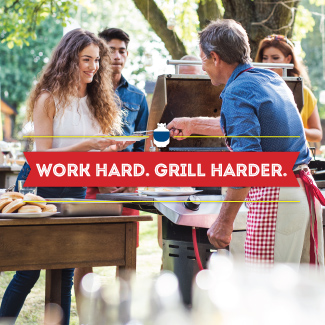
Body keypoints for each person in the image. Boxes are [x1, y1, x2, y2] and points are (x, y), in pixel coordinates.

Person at [0, 29, 131, 325]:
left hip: (73, 186)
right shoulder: (48, 98)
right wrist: (86, 145)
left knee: (66, 267)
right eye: (86, 59)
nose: (93, 67)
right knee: (29, 269)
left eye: (97, 60)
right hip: (37, 184)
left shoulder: (98, 100)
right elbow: (43, 155)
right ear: (69, 58)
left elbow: (94, 158)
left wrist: (110, 148)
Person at [167, 19, 324, 265]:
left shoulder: (237, 90)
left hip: (276, 199)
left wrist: (223, 222)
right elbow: (247, 130)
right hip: (301, 195)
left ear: (215, 58)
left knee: (263, 293)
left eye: (203, 59)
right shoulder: (268, 79)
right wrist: (192, 124)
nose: (203, 66)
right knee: (297, 296)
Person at [74, 27, 149, 315]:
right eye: (111, 50)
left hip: (125, 186)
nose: (116, 56)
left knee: (126, 256)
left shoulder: (138, 97)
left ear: (127, 56)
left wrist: (133, 185)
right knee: (84, 253)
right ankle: (84, 319)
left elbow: (142, 149)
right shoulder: (84, 90)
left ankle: (123, 318)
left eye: (122, 51)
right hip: (89, 184)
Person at [255, 34, 322, 143]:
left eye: (275, 58)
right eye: (265, 58)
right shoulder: (254, 91)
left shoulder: (304, 93)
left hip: (297, 157)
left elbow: (317, 135)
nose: (268, 63)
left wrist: (296, 129)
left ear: (288, 59)